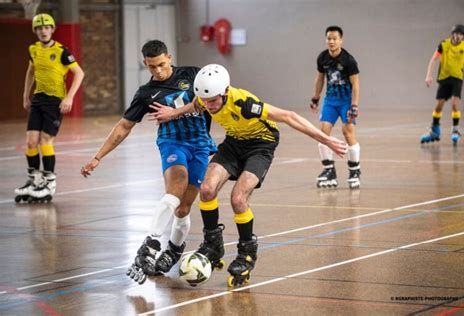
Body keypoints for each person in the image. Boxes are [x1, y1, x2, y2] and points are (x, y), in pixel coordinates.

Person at [150, 63, 347, 287]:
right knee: (206, 189)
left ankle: (246, 253)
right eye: (206, 101)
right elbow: (194, 106)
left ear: (225, 92)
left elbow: (289, 116)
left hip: (261, 145)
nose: (209, 106)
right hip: (234, 143)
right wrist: (172, 113)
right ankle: (213, 243)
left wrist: (326, 139)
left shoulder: (244, 103)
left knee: (238, 198)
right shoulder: (205, 99)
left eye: (214, 100)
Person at [80, 40, 216, 284]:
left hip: (200, 144)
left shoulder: (193, 74)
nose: (158, 71)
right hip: (172, 143)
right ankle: (150, 245)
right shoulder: (145, 93)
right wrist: (98, 156)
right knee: (176, 188)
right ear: (146, 64)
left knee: (183, 207)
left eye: (162, 64)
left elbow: (209, 101)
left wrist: (177, 111)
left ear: (170, 57)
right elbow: (124, 126)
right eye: (152, 67)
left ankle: (174, 250)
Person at [15, 13, 85, 202]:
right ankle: (34, 180)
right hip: (38, 99)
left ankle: (49, 181)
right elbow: (31, 71)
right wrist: (25, 95)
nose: (43, 31)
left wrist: (69, 97)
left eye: (47, 27)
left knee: (45, 141)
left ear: (52, 30)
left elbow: (79, 73)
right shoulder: (33, 49)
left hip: (55, 101)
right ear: (35, 31)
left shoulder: (62, 51)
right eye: (39, 28)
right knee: (31, 141)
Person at [309, 25, 361, 189]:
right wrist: (316, 97)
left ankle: (355, 170)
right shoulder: (322, 58)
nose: (331, 41)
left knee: (348, 132)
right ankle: (329, 170)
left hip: (345, 101)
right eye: (329, 38)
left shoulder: (349, 60)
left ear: (341, 40)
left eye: (334, 39)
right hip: (330, 101)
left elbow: (356, 84)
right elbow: (320, 79)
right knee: (323, 133)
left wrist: (354, 105)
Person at [421, 24, 464, 145]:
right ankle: (434, 130)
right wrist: (429, 75)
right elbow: (433, 59)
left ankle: (455, 130)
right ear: (452, 34)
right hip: (444, 79)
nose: (458, 36)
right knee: (438, 107)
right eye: (456, 33)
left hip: (457, 79)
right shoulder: (444, 44)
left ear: (463, 37)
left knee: (455, 104)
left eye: (461, 34)